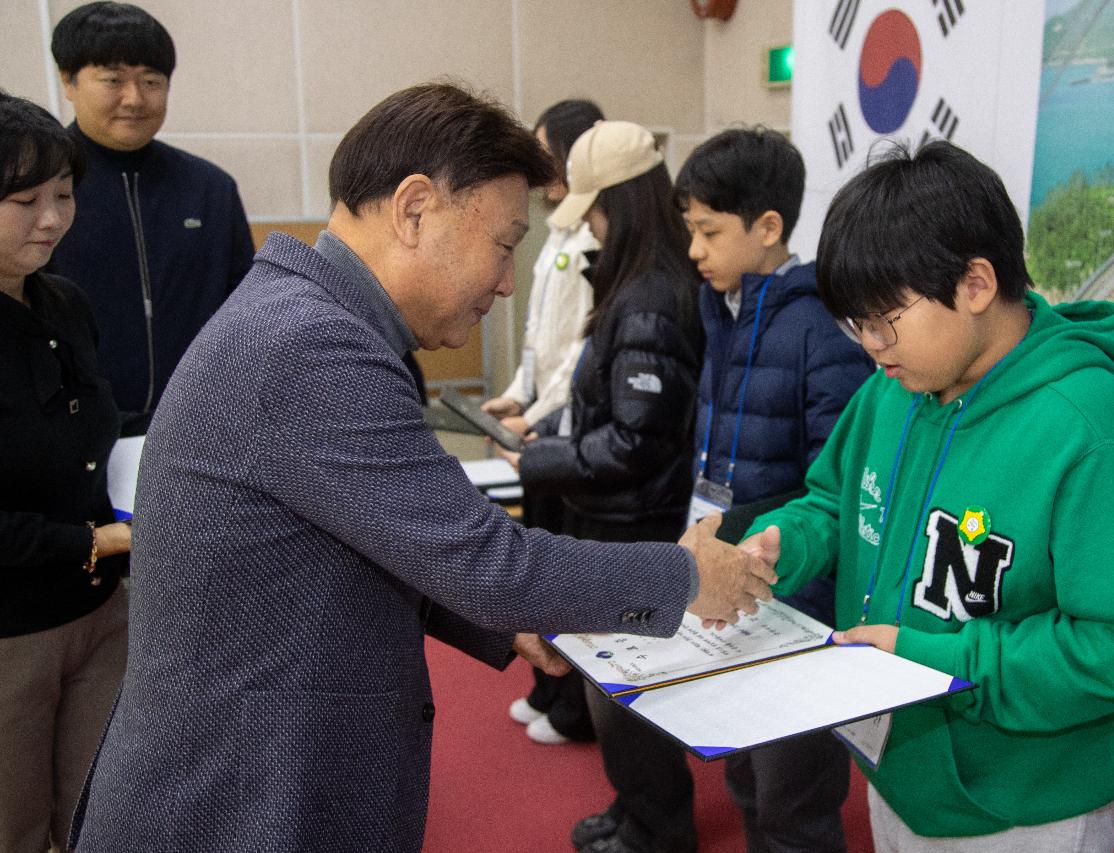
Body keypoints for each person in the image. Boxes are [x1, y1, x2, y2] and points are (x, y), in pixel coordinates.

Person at [66, 83, 777, 853]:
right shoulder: (312, 347)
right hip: (241, 801)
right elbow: (489, 563)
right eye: (505, 244)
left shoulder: (306, 322)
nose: (508, 280)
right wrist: (684, 574)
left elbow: (374, 541)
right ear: (415, 209)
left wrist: (514, 616)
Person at [737, 140, 1114, 849]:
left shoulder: (1094, 436)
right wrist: (784, 541)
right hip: (902, 769)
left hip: (1024, 801)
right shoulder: (895, 388)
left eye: (885, 318)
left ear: (976, 283)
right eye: (856, 324)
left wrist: (939, 661)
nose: (871, 346)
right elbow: (835, 500)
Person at [566, 126, 877, 853]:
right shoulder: (724, 311)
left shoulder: (819, 332)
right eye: (689, 230)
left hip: (797, 597)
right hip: (733, 587)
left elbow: (832, 480)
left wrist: (734, 531)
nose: (695, 250)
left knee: (791, 794)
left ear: (769, 228)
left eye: (708, 231)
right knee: (744, 774)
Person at [496, 120, 702, 853]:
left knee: (628, 693)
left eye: (596, 211)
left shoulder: (650, 298)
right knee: (608, 686)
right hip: (609, 514)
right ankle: (636, 809)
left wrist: (542, 461)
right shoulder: (635, 283)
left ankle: (657, 829)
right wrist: (552, 444)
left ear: (624, 204)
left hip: (632, 522)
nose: (589, 227)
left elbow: (637, 441)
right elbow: (610, 415)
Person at [0, 92, 131, 853]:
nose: (51, 218)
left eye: (64, 195)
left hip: (96, 610)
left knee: (99, 809)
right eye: (24, 200)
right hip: (11, 628)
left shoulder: (66, 304)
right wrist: (96, 539)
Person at [48, 1, 254, 436]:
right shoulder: (40, 192)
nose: (135, 98)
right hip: (72, 431)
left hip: (200, 425)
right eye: (112, 80)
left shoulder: (210, 188)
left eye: (151, 81)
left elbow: (245, 309)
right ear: (68, 81)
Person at [483, 99, 604, 746]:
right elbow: (538, 337)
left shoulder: (594, 236)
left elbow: (581, 353)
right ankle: (547, 684)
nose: (541, 164)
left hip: (566, 423)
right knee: (535, 557)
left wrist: (539, 413)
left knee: (561, 561)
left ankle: (569, 699)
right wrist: (515, 396)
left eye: (547, 150)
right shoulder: (559, 227)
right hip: (540, 419)